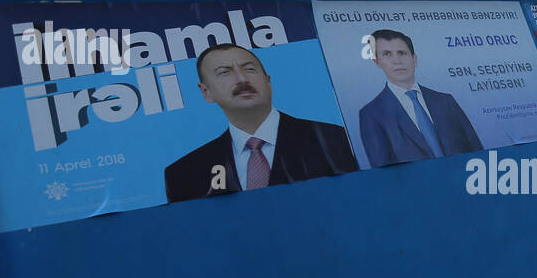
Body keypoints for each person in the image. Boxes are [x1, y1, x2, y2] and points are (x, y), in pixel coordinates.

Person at [164, 43, 357, 203]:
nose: (242, 79)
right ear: (206, 92)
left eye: (249, 69)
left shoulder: (336, 139)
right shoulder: (184, 174)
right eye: (224, 72)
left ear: (268, 81)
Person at [358, 29, 482, 167]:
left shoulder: (445, 101)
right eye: (387, 54)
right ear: (377, 63)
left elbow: (477, 150)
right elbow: (386, 173)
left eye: (402, 53)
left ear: (414, 59)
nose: (397, 61)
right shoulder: (371, 115)